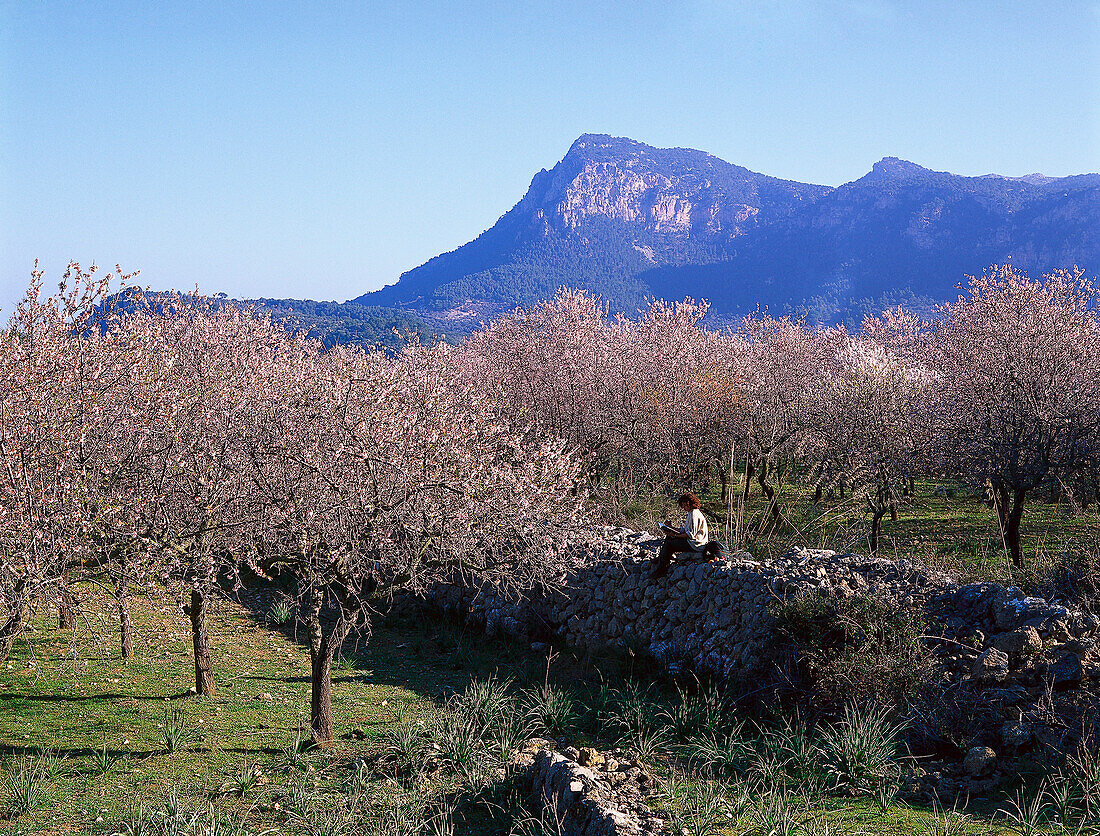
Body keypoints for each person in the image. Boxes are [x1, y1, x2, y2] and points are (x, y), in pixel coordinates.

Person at [650, 492, 712, 578]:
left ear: (689, 504)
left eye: (684, 505)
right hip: (693, 541)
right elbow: (685, 530)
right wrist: (671, 528)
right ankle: (661, 559)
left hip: (696, 544)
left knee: (670, 543)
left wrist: (674, 535)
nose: (683, 508)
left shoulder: (694, 514)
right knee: (669, 538)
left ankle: (662, 568)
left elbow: (690, 534)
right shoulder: (692, 513)